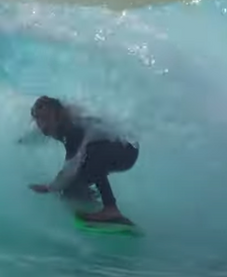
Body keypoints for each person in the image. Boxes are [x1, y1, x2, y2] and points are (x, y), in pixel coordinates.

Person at [19, 95, 139, 224]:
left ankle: (111, 209)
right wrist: (19, 142)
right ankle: (93, 203)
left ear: (57, 116)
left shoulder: (72, 128)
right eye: (39, 119)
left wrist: (51, 187)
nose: (42, 125)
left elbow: (71, 165)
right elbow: (36, 136)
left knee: (89, 156)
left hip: (126, 149)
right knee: (70, 189)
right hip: (111, 149)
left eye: (46, 119)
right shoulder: (57, 124)